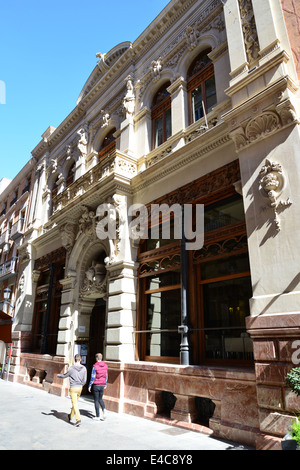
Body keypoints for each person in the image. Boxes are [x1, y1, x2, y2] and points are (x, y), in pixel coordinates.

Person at [57, 354, 87, 427]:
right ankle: (70, 416)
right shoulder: (84, 368)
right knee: (75, 403)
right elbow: (85, 380)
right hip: (80, 387)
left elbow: (65, 375)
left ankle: (78, 419)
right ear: (80, 360)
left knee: (75, 403)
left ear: (74, 359)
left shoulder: (71, 368)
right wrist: (81, 385)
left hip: (73, 387)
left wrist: (58, 375)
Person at [88, 353, 108, 421]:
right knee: (100, 399)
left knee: (96, 400)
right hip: (102, 385)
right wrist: (105, 383)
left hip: (96, 385)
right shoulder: (105, 366)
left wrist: (90, 385)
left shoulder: (95, 366)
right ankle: (104, 410)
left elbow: (93, 376)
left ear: (97, 358)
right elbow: (106, 375)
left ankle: (98, 416)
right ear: (101, 358)